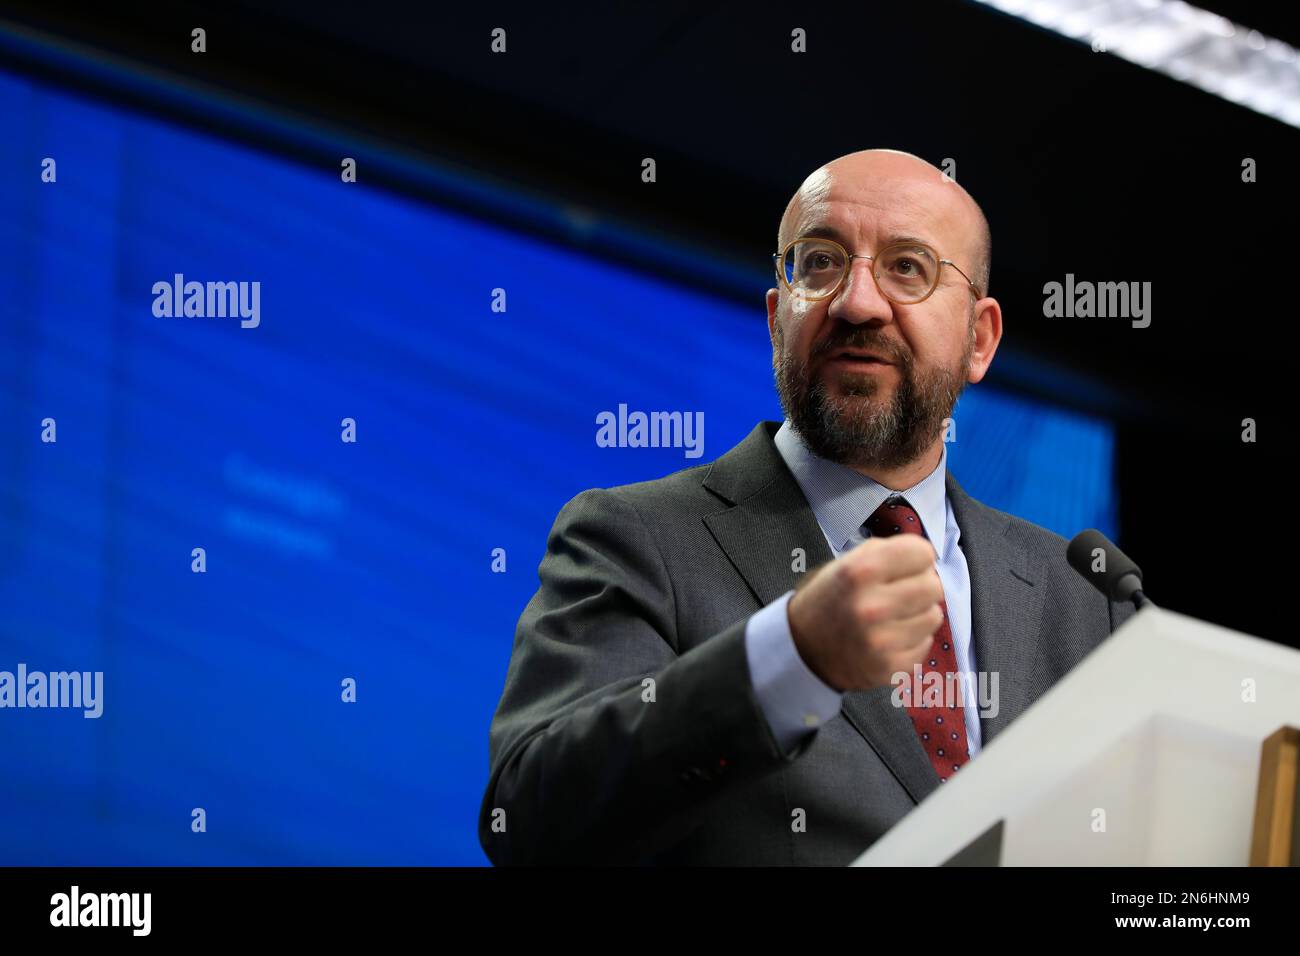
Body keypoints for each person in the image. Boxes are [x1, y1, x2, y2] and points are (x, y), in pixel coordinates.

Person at [479, 148, 1135, 865]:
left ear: (979, 340)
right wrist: (792, 659)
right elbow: (532, 817)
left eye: (907, 267)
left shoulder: (1084, 599)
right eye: (819, 263)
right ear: (776, 319)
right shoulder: (637, 537)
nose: (856, 303)